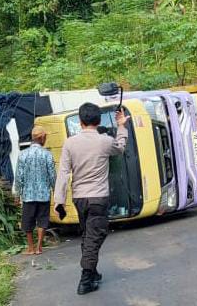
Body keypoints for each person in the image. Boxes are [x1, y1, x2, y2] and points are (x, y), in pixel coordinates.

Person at [54, 103, 130, 295]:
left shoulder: (70, 143)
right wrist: (121, 126)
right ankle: (86, 279)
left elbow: (63, 173)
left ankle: (93, 272)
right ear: (98, 121)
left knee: (89, 234)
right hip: (98, 198)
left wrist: (59, 201)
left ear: (80, 122)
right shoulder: (105, 141)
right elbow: (120, 148)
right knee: (96, 235)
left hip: (79, 199)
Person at [14, 126, 56, 256]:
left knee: (28, 221)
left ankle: (30, 247)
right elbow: (52, 175)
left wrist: (17, 195)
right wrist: (56, 191)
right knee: (42, 220)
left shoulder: (23, 155)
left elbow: (19, 177)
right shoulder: (47, 154)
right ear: (42, 138)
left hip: (28, 195)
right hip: (44, 194)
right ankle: (39, 248)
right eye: (45, 137)